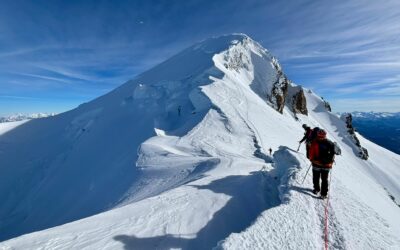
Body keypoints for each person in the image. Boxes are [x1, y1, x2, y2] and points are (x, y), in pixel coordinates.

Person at [308, 129, 335, 199]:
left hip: (316, 164)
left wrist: (311, 159)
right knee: (324, 179)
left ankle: (317, 189)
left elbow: (310, 154)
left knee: (316, 178)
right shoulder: (330, 143)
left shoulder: (314, 142)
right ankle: (323, 194)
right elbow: (333, 154)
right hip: (327, 165)